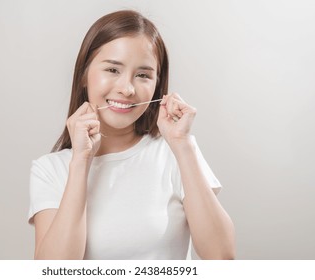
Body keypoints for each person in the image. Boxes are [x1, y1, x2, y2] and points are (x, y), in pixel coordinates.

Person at [28, 10, 235, 260]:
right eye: (113, 70)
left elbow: (222, 257)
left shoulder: (175, 153)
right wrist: (81, 162)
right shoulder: (50, 170)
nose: (127, 89)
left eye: (143, 75)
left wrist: (182, 145)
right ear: (84, 75)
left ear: (157, 86)